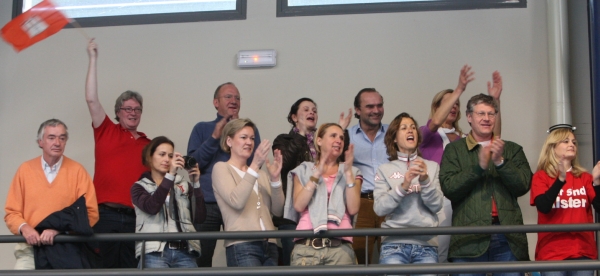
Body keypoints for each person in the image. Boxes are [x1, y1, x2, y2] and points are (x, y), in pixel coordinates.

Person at [439, 94, 531, 276]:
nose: (486, 119)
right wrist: (478, 168)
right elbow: (449, 188)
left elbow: (523, 185)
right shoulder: (454, 150)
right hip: (468, 238)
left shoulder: (512, 149)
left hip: (508, 237)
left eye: (491, 114)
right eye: (481, 113)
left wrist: (501, 162)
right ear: (469, 117)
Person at [419, 65, 503, 265]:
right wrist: (459, 89)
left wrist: (496, 101)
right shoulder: (425, 133)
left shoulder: (465, 139)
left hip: (460, 194)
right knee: (436, 251)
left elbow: (495, 137)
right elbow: (435, 121)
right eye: (448, 103)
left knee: (454, 251)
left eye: (457, 103)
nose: (453, 106)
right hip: (434, 196)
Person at [85, 39, 150, 268]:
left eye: (137, 109)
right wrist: (93, 58)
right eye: (127, 108)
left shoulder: (149, 145)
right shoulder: (106, 130)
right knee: (102, 271)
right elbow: (92, 99)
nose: (133, 113)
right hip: (105, 215)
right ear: (117, 112)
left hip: (137, 218)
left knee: (132, 271)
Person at [4, 119, 99, 269]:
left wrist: (59, 230)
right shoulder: (25, 170)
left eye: (62, 138)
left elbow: (91, 213)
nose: (57, 142)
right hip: (29, 249)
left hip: (67, 249)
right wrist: (25, 228)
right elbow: (11, 213)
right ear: (40, 142)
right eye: (51, 137)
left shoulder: (78, 171)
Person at [187, 82, 261, 267]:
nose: (233, 100)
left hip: (241, 201)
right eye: (228, 97)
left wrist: (240, 135)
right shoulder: (202, 128)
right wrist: (214, 137)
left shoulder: (249, 131)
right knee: (201, 259)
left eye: (237, 97)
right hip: (208, 203)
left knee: (245, 254)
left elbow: (255, 164)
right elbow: (193, 163)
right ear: (215, 102)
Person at [272, 97, 352, 265]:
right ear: (294, 117)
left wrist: (339, 131)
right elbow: (284, 165)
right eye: (306, 109)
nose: (312, 113)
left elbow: (337, 164)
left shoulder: (321, 142)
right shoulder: (283, 140)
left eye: (314, 110)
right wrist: (301, 133)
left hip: (322, 215)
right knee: (293, 262)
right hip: (294, 217)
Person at [284, 123, 362, 266]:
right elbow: (299, 205)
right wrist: (317, 173)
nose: (339, 140)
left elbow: (353, 208)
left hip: (341, 248)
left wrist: (348, 174)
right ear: (319, 141)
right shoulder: (304, 170)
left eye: (341, 138)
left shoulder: (353, 171)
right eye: (333, 136)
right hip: (306, 247)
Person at [374, 113, 443, 271]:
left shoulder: (432, 167)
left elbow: (437, 205)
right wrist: (403, 186)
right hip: (393, 245)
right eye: (404, 128)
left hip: (427, 245)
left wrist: (425, 180)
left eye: (413, 127)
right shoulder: (384, 169)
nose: (410, 130)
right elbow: (379, 209)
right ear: (394, 138)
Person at [212, 118, 284, 266]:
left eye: (251, 138)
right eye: (243, 137)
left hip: (270, 244)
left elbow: (278, 211)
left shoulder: (261, 174)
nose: (249, 142)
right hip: (242, 244)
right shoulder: (221, 168)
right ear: (229, 141)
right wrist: (255, 165)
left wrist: (275, 180)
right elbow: (237, 202)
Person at [530, 124, 600, 276]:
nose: (571, 145)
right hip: (552, 252)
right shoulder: (541, 177)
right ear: (552, 147)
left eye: (574, 142)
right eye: (566, 141)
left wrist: (596, 183)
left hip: (583, 251)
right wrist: (560, 180)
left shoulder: (584, 177)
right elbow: (543, 206)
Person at [131, 136, 207, 268]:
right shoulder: (139, 187)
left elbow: (200, 217)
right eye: (162, 154)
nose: (167, 159)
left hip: (185, 251)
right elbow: (152, 207)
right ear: (150, 157)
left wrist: (195, 183)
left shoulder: (183, 185)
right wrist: (170, 176)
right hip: (154, 252)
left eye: (171, 156)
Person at [347, 88, 387, 264]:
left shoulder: (394, 133)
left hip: (390, 202)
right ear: (358, 110)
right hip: (361, 203)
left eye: (379, 105)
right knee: (360, 260)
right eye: (370, 106)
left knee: (394, 258)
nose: (376, 110)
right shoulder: (347, 136)